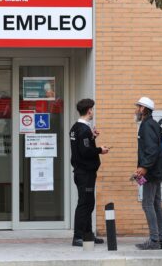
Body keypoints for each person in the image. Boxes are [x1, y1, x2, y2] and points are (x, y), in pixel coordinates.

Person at [70, 98, 110, 247]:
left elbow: (81, 146)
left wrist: (92, 137)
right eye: (92, 109)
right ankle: (78, 236)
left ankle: (87, 235)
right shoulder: (83, 129)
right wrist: (100, 150)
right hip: (85, 172)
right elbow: (85, 151)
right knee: (84, 203)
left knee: (88, 203)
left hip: (81, 171)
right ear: (89, 111)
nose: (93, 112)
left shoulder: (76, 128)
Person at [133, 96, 162, 250]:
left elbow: (152, 150)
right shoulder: (153, 124)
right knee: (156, 204)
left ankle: (154, 240)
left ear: (143, 109)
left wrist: (144, 167)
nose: (136, 110)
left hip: (151, 172)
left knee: (147, 204)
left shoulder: (147, 126)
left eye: (138, 107)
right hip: (157, 170)